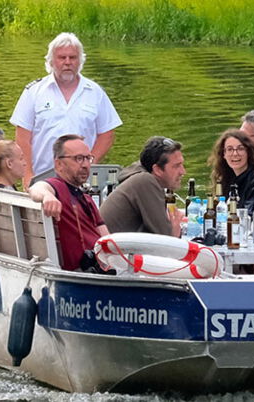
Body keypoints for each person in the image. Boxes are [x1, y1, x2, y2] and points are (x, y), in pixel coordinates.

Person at [12, 33, 121, 181]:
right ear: (51, 61)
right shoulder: (34, 92)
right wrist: (27, 174)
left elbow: (107, 133)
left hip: (83, 179)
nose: (67, 62)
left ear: (80, 61)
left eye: (73, 57)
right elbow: (22, 136)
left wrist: (90, 163)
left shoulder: (95, 92)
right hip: (43, 176)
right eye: (62, 58)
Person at [28, 135, 111, 272]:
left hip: (101, 268)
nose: (85, 165)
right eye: (78, 159)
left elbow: (108, 241)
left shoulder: (86, 199)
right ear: (59, 164)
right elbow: (36, 188)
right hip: (81, 276)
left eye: (87, 158)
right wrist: (47, 196)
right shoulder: (58, 187)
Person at [102, 136, 187, 235]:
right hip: (109, 249)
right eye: (176, 166)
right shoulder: (145, 181)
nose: (183, 171)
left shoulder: (140, 178)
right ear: (157, 170)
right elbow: (166, 239)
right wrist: (175, 228)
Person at [208, 129, 254, 203]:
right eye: (230, 149)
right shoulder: (225, 177)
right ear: (224, 154)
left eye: (240, 149)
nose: (235, 154)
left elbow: (252, 210)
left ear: (248, 152)